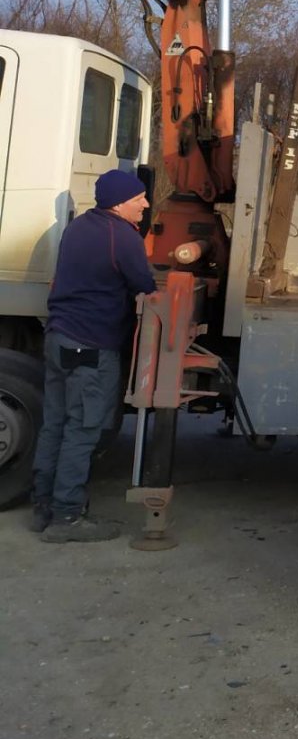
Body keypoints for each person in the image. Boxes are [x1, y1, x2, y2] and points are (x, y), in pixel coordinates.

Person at [31, 170, 155, 542]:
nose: (146, 205)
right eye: (140, 199)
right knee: (83, 431)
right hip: (91, 347)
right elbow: (145, 285)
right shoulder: (122, 237)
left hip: (58, 338)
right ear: (120, 203)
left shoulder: (80, 226)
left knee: (54, 425)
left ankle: (43, 508)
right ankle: (67, 518)